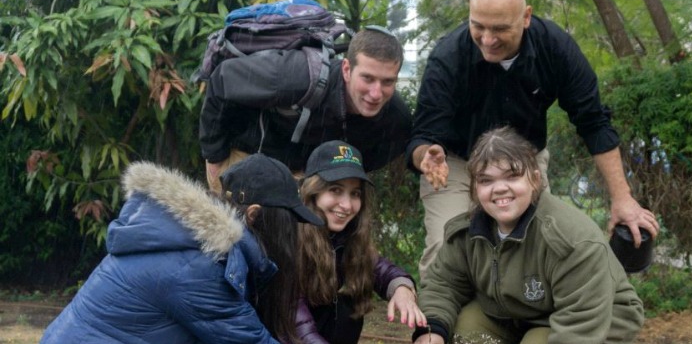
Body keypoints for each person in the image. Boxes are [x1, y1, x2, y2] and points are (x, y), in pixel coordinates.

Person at [407, 0, 659, 277]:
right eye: (478, 26)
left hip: (524, 162)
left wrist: (622, 198)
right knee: (445, 249)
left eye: (499, 28)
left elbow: (593, 122)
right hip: (457, 163)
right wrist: (426, 156)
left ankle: (532, 323)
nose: (487, 40)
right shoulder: (448, 58)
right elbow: (422, 136)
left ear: (526, 17)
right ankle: (438, 325)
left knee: (543, 248)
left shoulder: (556, 49)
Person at [41, 154, 324, 344]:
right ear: (253, 215)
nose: (294, 235)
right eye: (289, 224)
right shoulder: (198, 266)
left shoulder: (193, 243)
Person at [412, 126, 644, 344]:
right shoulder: (464, 232)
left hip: (594, 319)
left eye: (512, 176)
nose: (499, 188)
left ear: (534, 179)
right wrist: (431, 332)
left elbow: (581, 323)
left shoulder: (570, 239)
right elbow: (443, 285)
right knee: (465, 329)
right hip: (515, 315)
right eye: (486, 180)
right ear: (474, 188)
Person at [200, 26, 412, 193]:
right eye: (367, 78)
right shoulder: (295, 78)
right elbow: (222, 80)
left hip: (305, 176)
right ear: (347, 69)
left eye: (387, 82)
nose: (376, 93)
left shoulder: (396, 119)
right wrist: (214, 158)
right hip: (246, 156)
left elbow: (374, 158)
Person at [294, 140, 427, 343]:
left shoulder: (350, 239)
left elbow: (381, 269)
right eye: (335, 190)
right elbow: (296, 322)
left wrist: (402, 289)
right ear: (313, 191)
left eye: (355, 193)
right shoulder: (289, 241)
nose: (346, 205)